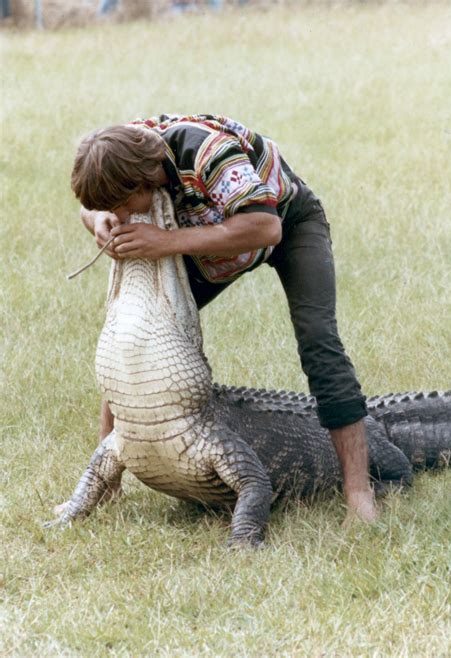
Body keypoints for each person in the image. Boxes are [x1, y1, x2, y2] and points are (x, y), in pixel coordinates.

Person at [71, 114, 377, 524]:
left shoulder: (210, 155)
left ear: (147, 177)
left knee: (318, 341)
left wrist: (166, 242)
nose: (120, 212)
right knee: (138, 336)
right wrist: (98, 221)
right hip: (211, 239)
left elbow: (265, 228)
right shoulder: (119, 149)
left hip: (286, 222)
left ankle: (359, 494)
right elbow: (89, 205)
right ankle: (106, 484)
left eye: (122, 205)